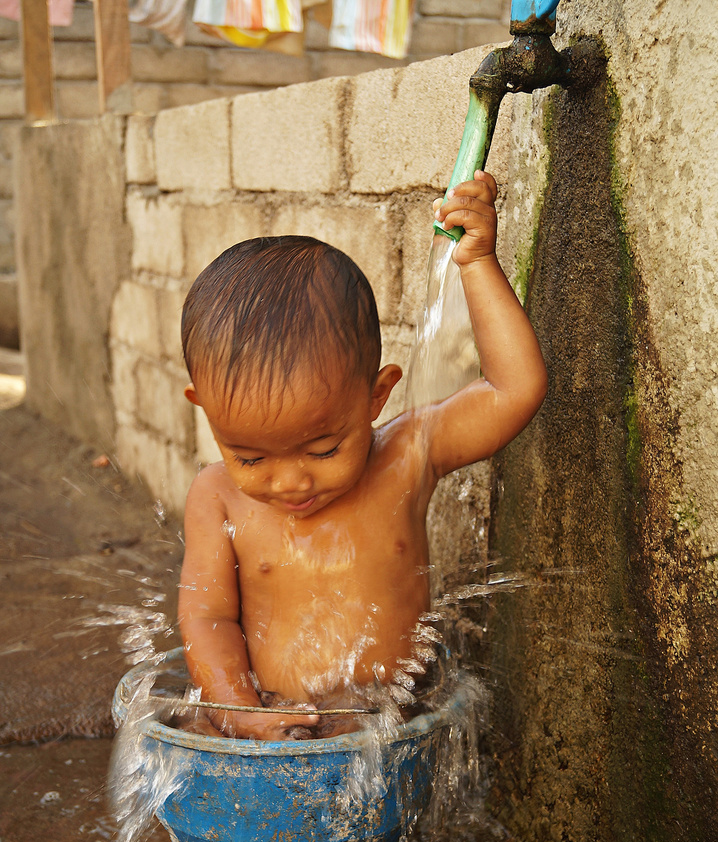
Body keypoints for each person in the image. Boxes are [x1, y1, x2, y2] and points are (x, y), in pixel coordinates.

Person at [177, 171, 547, 739]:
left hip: (390, 730)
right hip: (277, 732)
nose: (290, 482)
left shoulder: (406, 456)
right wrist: (240, 709)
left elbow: (513, 390)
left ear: (376, 396)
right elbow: (207, 617)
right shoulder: (216, 496)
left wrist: (476, 264)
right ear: (205, 411)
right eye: (250, 458)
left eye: (324, 447)